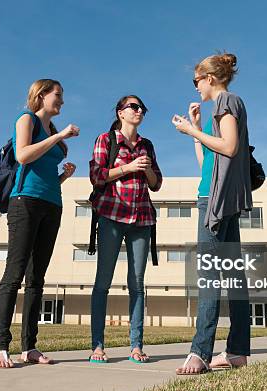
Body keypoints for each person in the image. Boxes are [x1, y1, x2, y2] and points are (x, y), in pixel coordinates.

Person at [172, 52, 253, 374]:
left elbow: (230, 147)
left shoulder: (225, 102)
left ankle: (200, 352)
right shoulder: (224, 107)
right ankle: (236, 352)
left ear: (209, 78)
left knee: (208, 276)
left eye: (196, 81)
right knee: (234, 278)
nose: (195, 88)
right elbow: (209, 161)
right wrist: (194, 127)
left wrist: (192, 132)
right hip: (221, 196)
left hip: (214, 201)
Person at [0, 79, 79, 368]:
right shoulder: (26, 119)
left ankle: (29, 347)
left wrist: (63, 177)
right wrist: (60, 136)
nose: (62, 101)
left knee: (36, 279)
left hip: (52, 204)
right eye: (58, 95)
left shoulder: (52, 131)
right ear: (41, 95)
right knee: (14, 273)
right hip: (24, 202)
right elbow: (23, 155)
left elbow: (43, 174)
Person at [88, 95, 163, 364]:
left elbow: (157, 183)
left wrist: (146, 171)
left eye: (142, 107)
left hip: (141, 218)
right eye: (134, 107)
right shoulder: (106, 140)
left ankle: (136, 346)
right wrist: (129, 167)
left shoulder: (147, 145)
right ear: (121, 112)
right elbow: (97, 175)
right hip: (110, 214)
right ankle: (97, 346)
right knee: (103, 282)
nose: (139, 110)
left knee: (137, 284)